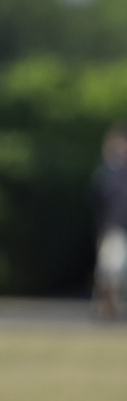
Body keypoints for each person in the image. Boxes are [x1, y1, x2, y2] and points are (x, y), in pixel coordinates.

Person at [90, 122, 127, 319]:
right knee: (110, 270)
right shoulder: (105, 174)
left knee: (118, 274)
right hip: (112, 229)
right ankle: (106, 307)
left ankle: (112, 307)